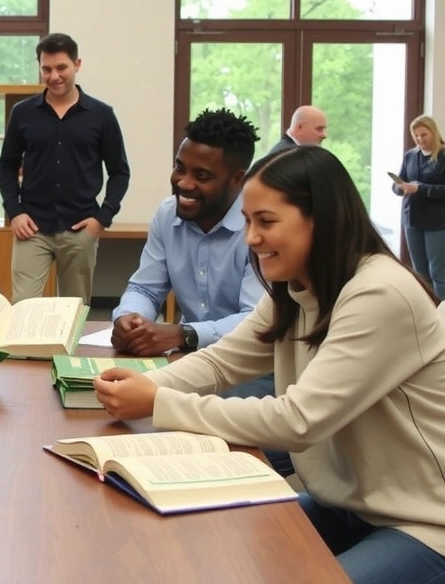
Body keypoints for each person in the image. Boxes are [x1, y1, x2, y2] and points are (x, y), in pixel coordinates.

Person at [94, 146, 445, 584]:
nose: (251, 238)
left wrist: (158, 400)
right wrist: (145, 384)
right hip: (347, 504)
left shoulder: (379, 293)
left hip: (421, 523)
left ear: (321, 220)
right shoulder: (297, 286)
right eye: (248, 221)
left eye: (267, 222)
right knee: (212, 547)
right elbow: (222, 362)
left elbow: (298, 421)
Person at [110, 108, 264, 357]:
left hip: (247, 365)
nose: (183, 183)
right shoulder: (168, 214)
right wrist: (130, 318)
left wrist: (185, 334)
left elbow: (256, 320)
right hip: (189, 358)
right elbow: (145, 289)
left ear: (238, 180)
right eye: (180, 168)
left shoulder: (259, 226)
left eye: (201, 176)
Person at [0, 32, 130, 305]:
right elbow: (7, 165)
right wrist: (15, 212)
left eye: (61, 68)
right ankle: (28, 351)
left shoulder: (101, 115)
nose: (54, 76)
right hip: (31, 228)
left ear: (76, 65)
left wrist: (102, 218)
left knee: (72, 311)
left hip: (80, 229)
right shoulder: (23, 113)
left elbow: (119, 172)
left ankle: (64, 351)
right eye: (46, 69)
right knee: (23, 308)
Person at [393, 114, 445, 299]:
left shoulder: (443, 156)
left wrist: (420, 189)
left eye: (424, 134)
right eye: (416, 135)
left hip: (437, 222)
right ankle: (427, 311)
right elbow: (400, 181)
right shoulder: (411, 155)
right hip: (412, 219)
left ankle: (442, 313)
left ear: (433, 132)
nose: (420, 139)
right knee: (419, 273)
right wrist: (399, 188)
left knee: (438, 272)